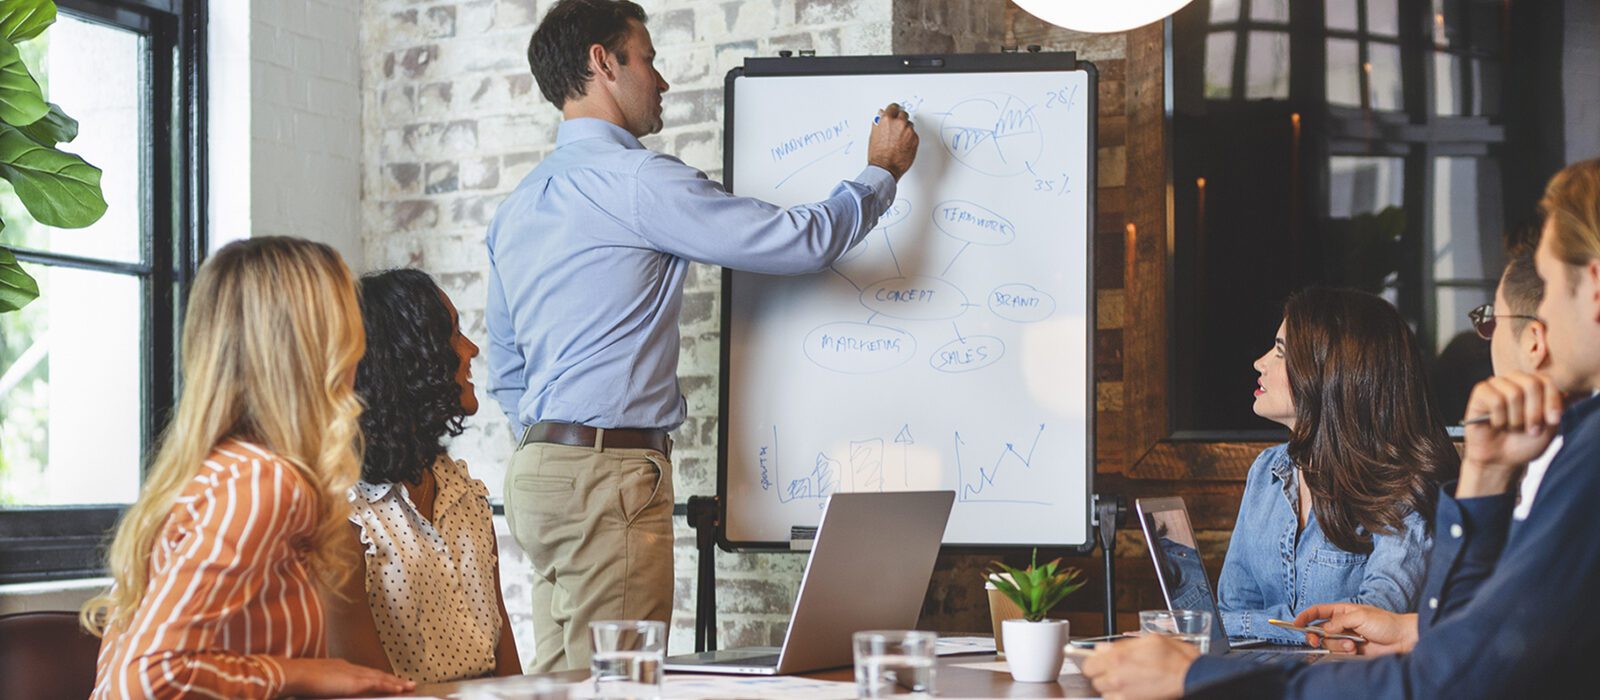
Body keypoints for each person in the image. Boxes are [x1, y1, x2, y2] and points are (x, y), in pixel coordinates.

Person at [486, 0, 919, 672]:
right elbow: (796, 240)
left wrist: (560, 442)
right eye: (649, 59)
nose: (661, 82)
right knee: (614, 686)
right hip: (608, 477)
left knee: (563, 678)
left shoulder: (518, 205)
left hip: (538, 473)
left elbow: (508, 369)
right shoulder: (636, 182)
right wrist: (880, 174)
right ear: (603, 62)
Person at [1080, 157, 1600, 699]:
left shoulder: (1586, 454)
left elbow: (1448, 681)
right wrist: (1415, 626)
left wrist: (1195, 675)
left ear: (1591, 286)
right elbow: (1468, 648)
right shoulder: (1575, 444)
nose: (1537, 326)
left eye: (1548, 290)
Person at [81, 238, 413, 699]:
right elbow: (147, 677)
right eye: (349, 326)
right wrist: (304, 674)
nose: (359, 351)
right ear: (312, 346)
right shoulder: (266, 482)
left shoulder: (222, 471)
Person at [1284, 241, 1561, 656]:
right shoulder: (1539, 457)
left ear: (1534, 342)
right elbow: (1505, 624)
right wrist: (1409, 634)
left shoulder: (1571, 466)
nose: (1486, 343)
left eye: (1491, 323)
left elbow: (1501, 650)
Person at [1213, 287, 1451, 645]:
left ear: (1330, 372)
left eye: (1279, 352)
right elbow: (1232, 608)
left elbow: (1367, 623)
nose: (1260, 362)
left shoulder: (1402, 484)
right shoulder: (1266, 472)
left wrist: (1248, 625)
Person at [323, 269, 522, 683]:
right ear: (405, 358)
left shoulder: (463, 490)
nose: (470, 350)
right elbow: (370, 691)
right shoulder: (343, 515)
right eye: (452, 335)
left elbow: (506, 662)